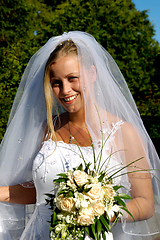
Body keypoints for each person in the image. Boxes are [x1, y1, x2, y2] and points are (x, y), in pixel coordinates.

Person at [0, 31, 160, 240]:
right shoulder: (47, 128)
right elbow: (40, 191)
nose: (65, 90)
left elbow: (145, 203)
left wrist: (99, 212)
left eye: (72, 78)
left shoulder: (124, 132)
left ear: (92, 74)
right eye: (56, 82)